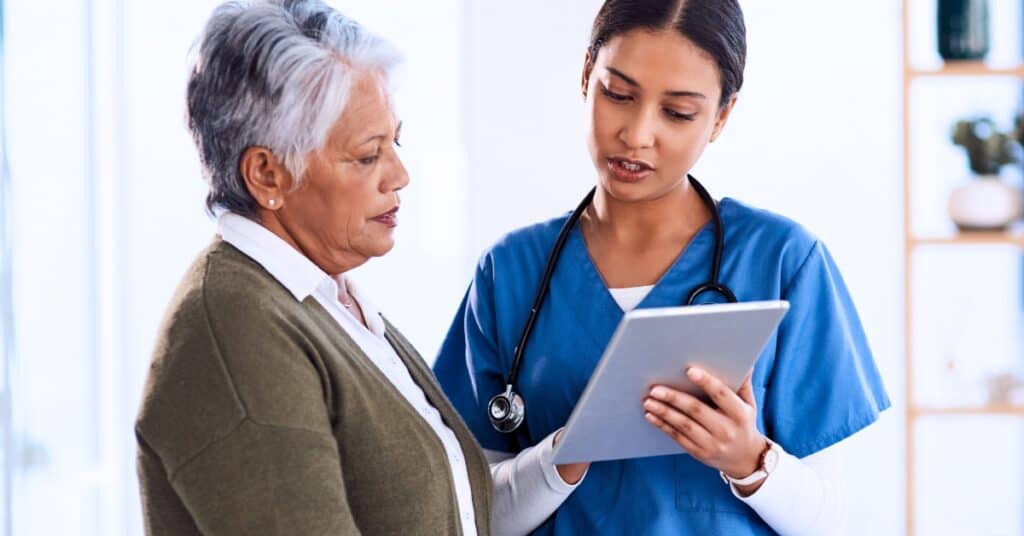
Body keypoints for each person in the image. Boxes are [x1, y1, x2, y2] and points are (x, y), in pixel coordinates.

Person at [433, 1, 890, 534]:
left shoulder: (784, 261)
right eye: (618, 95)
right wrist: (559, 460)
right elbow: (467, 514)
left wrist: (749, 461)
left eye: (677, 112)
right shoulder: (509, 272)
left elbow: (834, 521)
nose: (637, 134)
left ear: (721, 115)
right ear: (586, 75)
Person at [135, 1, 500, 533]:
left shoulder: (325, 300)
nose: (400, 175)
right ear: (267, 174)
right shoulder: (236, 328)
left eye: (395, 141)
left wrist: (570, 454)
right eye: (367, 155)